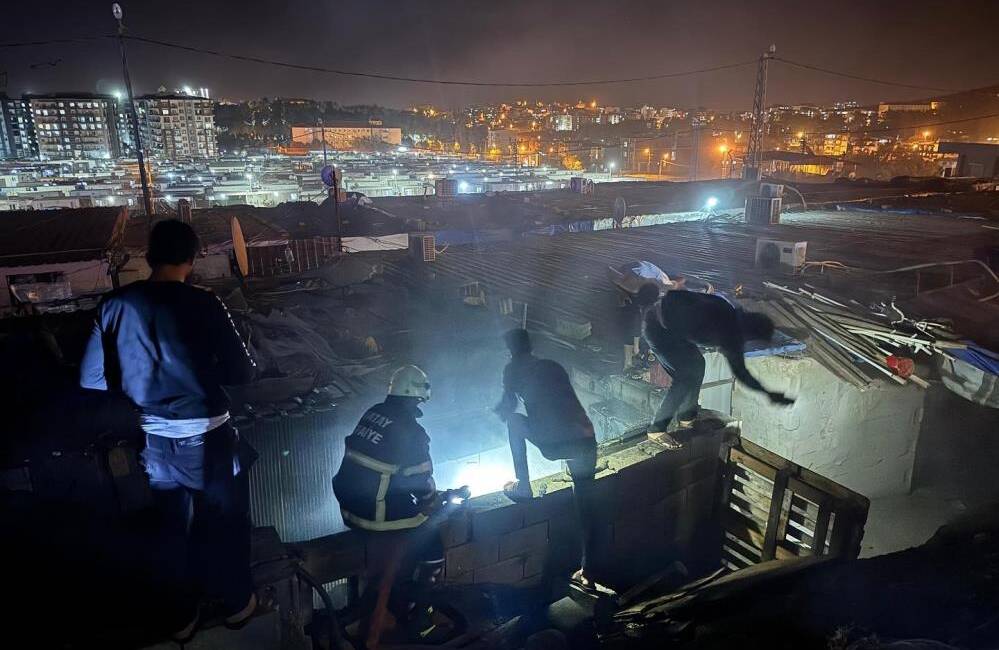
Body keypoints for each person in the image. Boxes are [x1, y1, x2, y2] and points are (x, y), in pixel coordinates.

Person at [80, 219, 258, 641]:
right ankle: (236, 605)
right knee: (225, 524)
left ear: (148, 256)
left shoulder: (114, 305)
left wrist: (138, 378)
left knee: (170, 529)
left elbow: (90, 378)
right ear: (192, 259)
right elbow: (241, 371)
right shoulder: (206, 302)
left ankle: (181, 620)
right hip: (209, 440)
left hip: (155, 442)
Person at [333, 365, 450, 641]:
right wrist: (433, 502)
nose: (420, 406)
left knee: (412, 532)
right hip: (375, 512)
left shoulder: (373, 412)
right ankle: (420, 615)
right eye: (420, 401)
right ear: (413, 397)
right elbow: (421, 480)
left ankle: (401, 604)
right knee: (432, 542)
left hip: (349, 508)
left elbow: (385, 467)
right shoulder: (412, 430)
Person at [493, 329, 600, 588]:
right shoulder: (552, 365)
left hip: (555, 443)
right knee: (586, 504)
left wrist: (497, 409)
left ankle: (524, 485)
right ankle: (590, 570)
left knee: (514, 423)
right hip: (586, 440)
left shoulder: (512, 369)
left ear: (510, 350)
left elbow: (507, 409)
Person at [638, 284, 794, 439]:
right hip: (657, 329)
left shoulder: (725, 306)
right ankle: (657, 429)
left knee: (698, 365)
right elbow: (742, 374)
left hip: (672, 328)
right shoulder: (730, 336)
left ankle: (687, 417)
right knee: (685, 378)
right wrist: (767, 393)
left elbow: (680, 295)